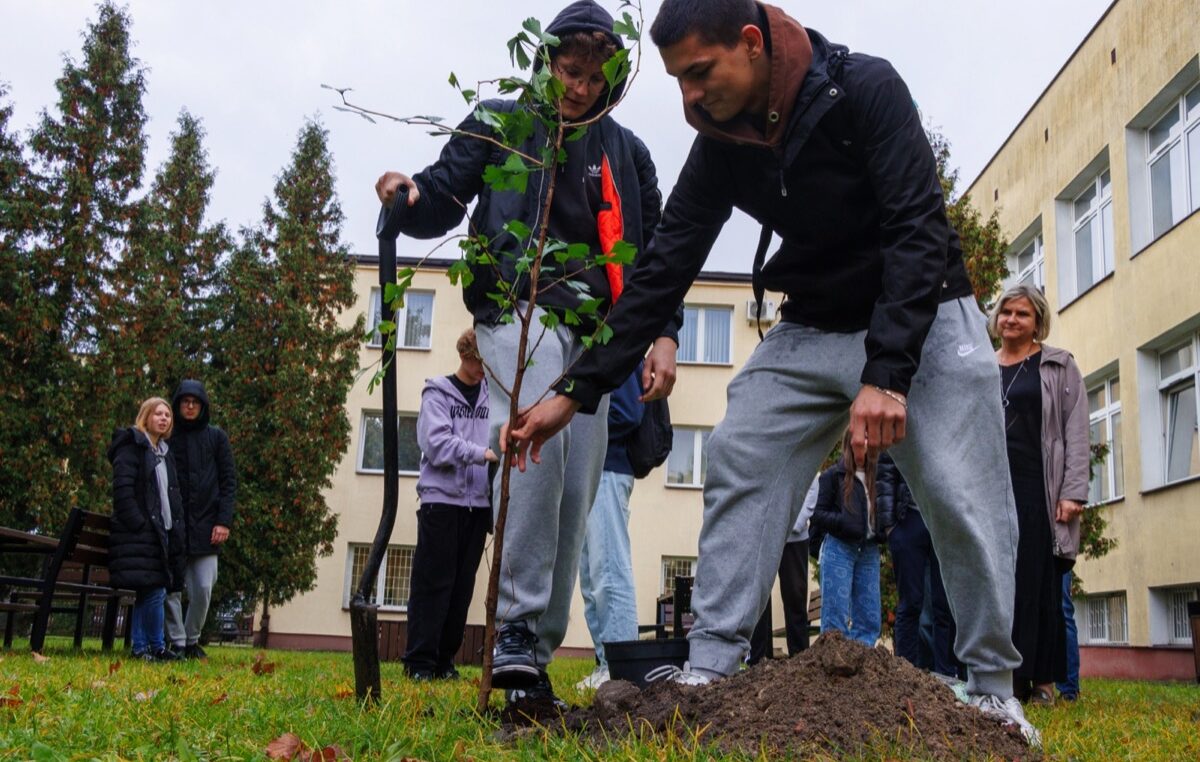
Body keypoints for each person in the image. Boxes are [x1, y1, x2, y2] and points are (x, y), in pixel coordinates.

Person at [504, 0, 1039, 745]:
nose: (689, 98)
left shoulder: (865, 90)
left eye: (699, 73)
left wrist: (886, 374)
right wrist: (578, 389)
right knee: (739, 447)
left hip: (919, 311)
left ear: (751, 45)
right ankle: (711, 671)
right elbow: (664, 269)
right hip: (814, 322)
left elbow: (918, 227)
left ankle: (991, 689)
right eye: (677, 82)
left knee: (962, 491)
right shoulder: (723, 139)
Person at [374, 0, 680, 707]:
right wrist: (407, 194)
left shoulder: (627, 154)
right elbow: (444, 192)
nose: (578, 88)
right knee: (541, 439)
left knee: (579, 483)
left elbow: (661, 254)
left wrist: (663, 332)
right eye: (568, 71)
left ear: (612, 78)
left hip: (597, 336)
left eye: (593, 76)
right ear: (545, 64)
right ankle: (513, 624)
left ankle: (528, 666)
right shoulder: (501, 123)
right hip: (516, 309)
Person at [990, 284, 1089, 706]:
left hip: (1039, 488)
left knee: (1038, 584)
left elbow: (1077, 429)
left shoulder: (1058, 365)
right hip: (992, 488)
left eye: (1022, 314)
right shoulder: (981, 367)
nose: (1012, 319)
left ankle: (1043, 682)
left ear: (1037, 322)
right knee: (999, 585)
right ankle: (1009, 678)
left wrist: (1073, 492)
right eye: (1006, 312)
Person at [403, 329, 496, 681]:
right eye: (475, 362)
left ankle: (444, 662)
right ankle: (419, 662)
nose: (480, 370)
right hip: (440, 503)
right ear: (464, 355)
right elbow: (436, 444)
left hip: (477, 506)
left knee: (462, 586)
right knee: (432, 583)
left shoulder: (492, 396)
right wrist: (479, 454)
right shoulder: (438, 393)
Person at [576, 367, 644, 690]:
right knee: (591, 577)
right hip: (592, 469)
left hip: (610, 467)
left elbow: (629, 411)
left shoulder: (619, 343)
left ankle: (622, 673)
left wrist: (577, 421)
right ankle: (606, 663)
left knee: (609, 572)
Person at [107, 398, 184, 662]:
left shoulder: (163, 451)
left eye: (167, 415)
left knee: (151, 588)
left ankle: (147, 647)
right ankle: (150, 646)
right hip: (139, 532)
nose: (164, 418)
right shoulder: (132, 446)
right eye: (158, 414)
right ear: (145, 416)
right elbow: (123, 490)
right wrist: (139, 523)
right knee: (155, 589)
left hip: (159, 530)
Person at [165, 380, 237, 660]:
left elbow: (228, 481)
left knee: (204, 586)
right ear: (178, 405)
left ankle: (192, 638)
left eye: (195, 402)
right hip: (174, 526)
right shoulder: (168, 438)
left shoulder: (217, 438)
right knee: (171, 588)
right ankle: (178, 642)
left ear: (203, 405)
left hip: (208, 526)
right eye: (185, 401)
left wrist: (224, 521)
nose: (190, 406)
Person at [879, 452, 958, 676]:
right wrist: (890, 527)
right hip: (908, 521)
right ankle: (905, 673)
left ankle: (946, 674)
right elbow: (885, 470)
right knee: (910, 603)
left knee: (945, 605)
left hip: (943, 522)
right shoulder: (900, 422)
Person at [810, 431, 891, 647]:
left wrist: (885, 529)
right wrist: (844, 522)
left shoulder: (879, 478)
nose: (865, 443)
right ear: (849, 443)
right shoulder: (833, 476)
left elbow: (887, 508)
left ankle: (861, 671)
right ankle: (835, 668)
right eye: (860, 438)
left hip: (869, 550)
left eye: (868, 437)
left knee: (869, 617)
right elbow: (817, 514)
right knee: (835, 616)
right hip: (839, 548)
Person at [748, 472, 818, 664]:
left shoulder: (802, 446)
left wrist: (794, 524)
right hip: (765, 536)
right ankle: (759, 658)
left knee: (795, 595)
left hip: (795, 538)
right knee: (760, 596)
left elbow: (811, 483)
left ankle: (799, 657)